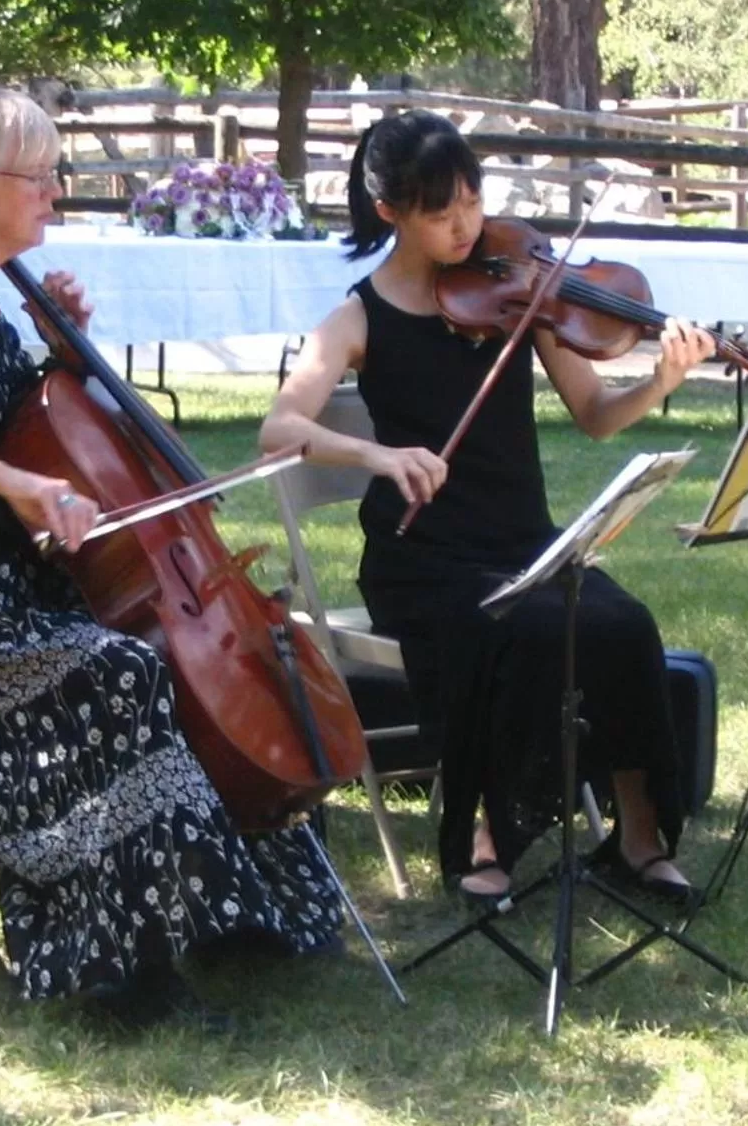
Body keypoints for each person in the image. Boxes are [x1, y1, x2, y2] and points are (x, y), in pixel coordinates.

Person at [0, 74, 341, 1025]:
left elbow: (35, 430)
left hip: (1, 589)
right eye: (37, 175)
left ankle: (239, 912)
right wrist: (7, 481)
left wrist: (64, 358)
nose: (53, 192)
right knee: (114, 674)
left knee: (143, 662)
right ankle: (118, 967)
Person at [260, 110, 714, 906]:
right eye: (442, 213)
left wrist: (660, 383)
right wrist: (377, 454)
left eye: (473, 200)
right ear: (392, 211)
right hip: (423, 561)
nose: (467, 225)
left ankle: (639, 838)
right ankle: (487, 835)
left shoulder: (515, 291)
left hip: (525, 544)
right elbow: (280, 428)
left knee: (625, 624)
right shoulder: (358, 317)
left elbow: (596, 414)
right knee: (520, 631)